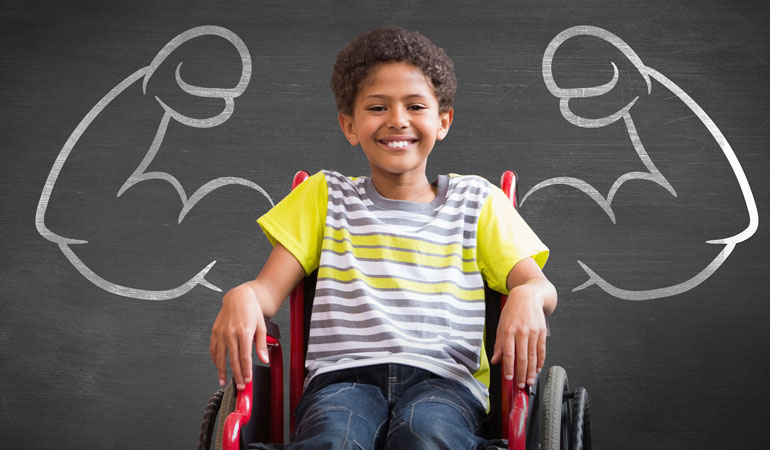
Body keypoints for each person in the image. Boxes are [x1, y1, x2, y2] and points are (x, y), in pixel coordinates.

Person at [209, 26, 557, 449]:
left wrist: (527, 294)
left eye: (414, 106)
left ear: (442, 120)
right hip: (343, 379)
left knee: (425, 433)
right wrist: (241, 296)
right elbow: (266, 292)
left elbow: (539, 286)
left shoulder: (476, 200)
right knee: (335, 437)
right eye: (377, 107)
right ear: (349, 125)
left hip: (445, 382)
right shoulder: (325, 195)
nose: (397, 120)